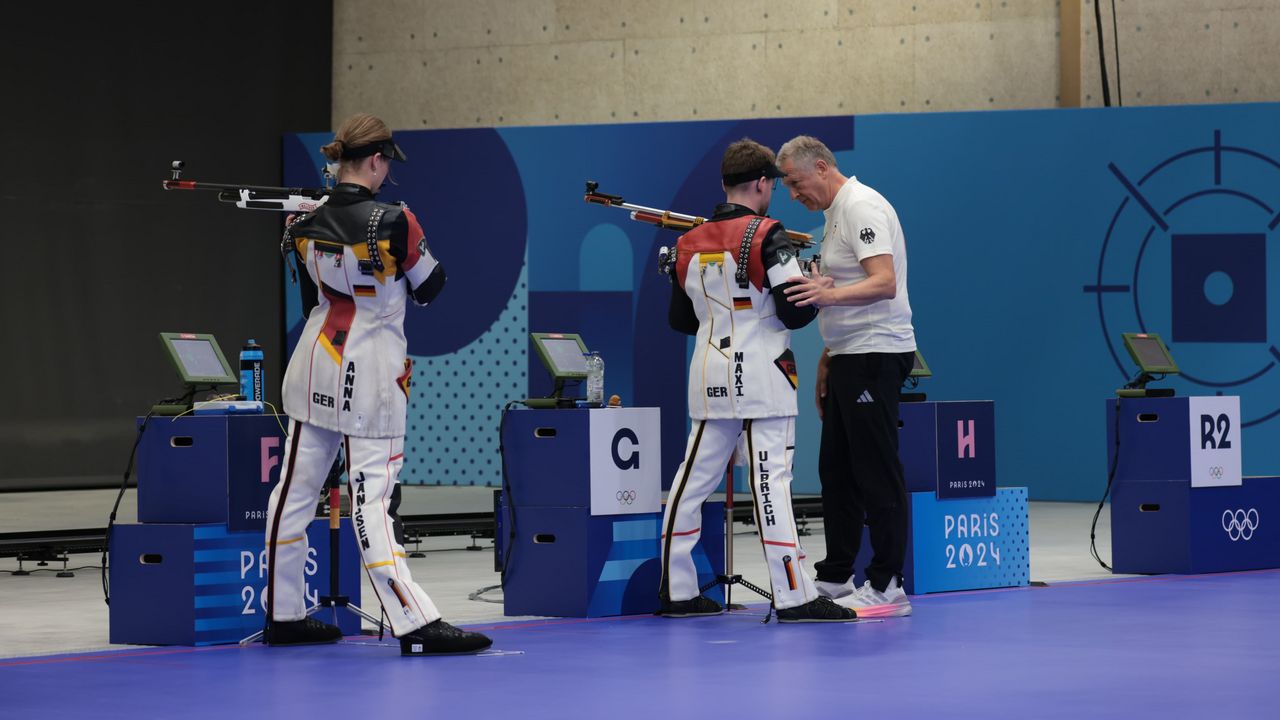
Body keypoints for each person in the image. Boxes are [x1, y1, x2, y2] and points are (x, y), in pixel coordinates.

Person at [263, 113, 492, 655]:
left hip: (315, 360)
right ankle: (413, 621)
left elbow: (306, 296)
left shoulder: (304, 219)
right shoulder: (396, 219)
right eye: (387, 162)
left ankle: (283, 612)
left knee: (293, 492)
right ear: (375, 160)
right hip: (372, 373)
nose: (389, 172)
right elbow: (431, 285)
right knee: (374, 498)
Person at [658, 138, 857, 623]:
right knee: (771, 483)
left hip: (708, 373)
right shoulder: (769, 235)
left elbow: (681, 321)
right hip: (764, 375)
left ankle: (675, 590)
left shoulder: (688, 242)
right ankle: (792, 593)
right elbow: (793, 312)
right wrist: (815, 285)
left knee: (690, 480)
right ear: (763, 183)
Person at [778, 135, 916, 618]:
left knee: (876, 470)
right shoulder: (834, 214)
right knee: (836, 470)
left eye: (796, 183)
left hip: (875, 356)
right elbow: (847, 285)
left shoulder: (860, 207)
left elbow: (884, 282)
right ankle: (837, 575)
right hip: (849, 355)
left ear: (820, 167)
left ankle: (887, 584)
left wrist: (823, 297)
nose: (793, 195)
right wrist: (828, 355)